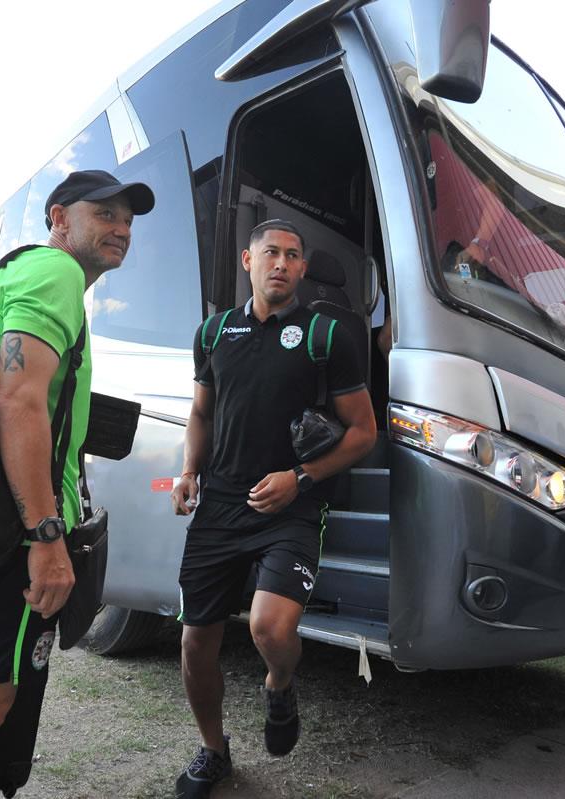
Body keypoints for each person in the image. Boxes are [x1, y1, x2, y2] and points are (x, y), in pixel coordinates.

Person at [0, 169, 154, 799]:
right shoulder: (55, 273)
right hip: (19, 536)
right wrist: (46, 537)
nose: (121, 229)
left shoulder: (28, 275)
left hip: (2, 523)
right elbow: (18, 400)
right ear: (59, 219)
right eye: (105, 214)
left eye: (127, 220)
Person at [169, 219, 376, 798]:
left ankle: (279, 685)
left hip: (292, 507)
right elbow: (201, 413)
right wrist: (188, 472)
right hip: (219, 507)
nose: (280, 263)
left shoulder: (324, 335)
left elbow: (363, 433)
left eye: (291, 255)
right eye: (270, 253)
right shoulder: (213, 332)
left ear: (303, 269)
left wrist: (300, 477)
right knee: (195, 643)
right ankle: (214, 751)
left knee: (269, 627)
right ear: (248, 261)